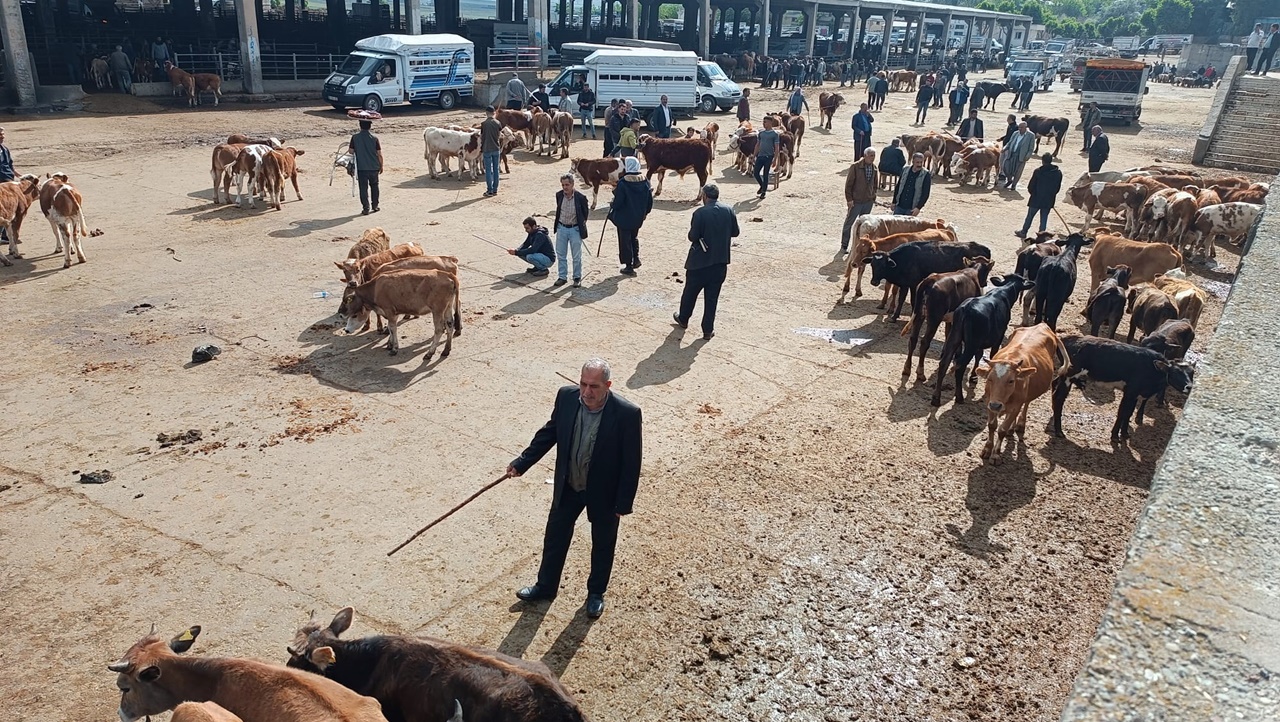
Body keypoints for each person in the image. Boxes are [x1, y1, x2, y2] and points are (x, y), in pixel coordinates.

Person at [508, 358, 643, 620]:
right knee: (555, 537)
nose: (586, 392)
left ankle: (595, 594)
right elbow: (549, 433)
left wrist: (623, 504)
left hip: (604, 494)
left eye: (594, 386)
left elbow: (631, 462)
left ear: (608, 385)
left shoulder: (627, 413)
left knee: (603, 544)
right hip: (569, 485)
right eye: (583, 384)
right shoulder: (567, 398)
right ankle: (546, 586)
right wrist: (522, 463)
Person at [674, 183, 739, 341]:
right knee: (712, 298)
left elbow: (693, 236)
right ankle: (707, 330)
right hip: (720, 262)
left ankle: (684, 318)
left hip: (699, 263)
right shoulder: (728, 210)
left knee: (690, 293)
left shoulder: (700, 213)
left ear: (705, 196)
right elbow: (735, 232)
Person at [608, 156, 653, 275]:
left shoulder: (623, 183)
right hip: (638, 217)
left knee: (625, 241)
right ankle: (636, 259)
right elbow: (650, 201)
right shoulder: (645, 181)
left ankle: (628, 265)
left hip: (624, 218)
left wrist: (612, 204)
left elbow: (618, 202)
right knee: (634, 237)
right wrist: (645, 213)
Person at [553, 174, 589, 288]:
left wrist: (580, 226)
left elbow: (585, 214)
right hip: (562, 228)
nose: (565, 187)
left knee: (576, 255)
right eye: (563, 185)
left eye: (567, 185)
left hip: (575, 229)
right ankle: (562, 277)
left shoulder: (580, 197)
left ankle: (577, 277)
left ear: (573, 184)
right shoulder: (559, 195)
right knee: (561, 254)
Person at [840, 147, 878, 254]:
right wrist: (849, 199)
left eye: (874, 156)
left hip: (867, 201)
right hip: (856, 201)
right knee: (849, 223)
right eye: (870, 156)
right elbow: (849, 185)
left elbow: (875, 184)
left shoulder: (874, 168)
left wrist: (873, 196)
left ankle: (859, 247)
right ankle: (844, 245)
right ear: (865, 155)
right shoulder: (855, 167)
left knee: (864, 226)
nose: (872, 158)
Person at [1015, 154, 1062, 239]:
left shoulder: (1038, 171)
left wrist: (1033, 194)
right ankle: (1042, 236)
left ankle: (1024, 232)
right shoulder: (1058, 173)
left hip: (1036, 198)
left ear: (1042, 161)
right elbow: (1057, 188)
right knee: (1044, 218)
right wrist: (1051, 196)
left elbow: (1031, 186)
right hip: (1048, 200)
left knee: (1030, 216)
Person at [348, 120, 383, 215]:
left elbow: (351, 151)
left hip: (361, 168)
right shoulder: (375, 138)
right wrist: (381, 165)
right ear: (369, 127)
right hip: (374, 166)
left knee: (363, 188)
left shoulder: (355, 137)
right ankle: (375, 206)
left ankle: (366, 208)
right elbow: (379, 154)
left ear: (360, 126)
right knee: (375, 186)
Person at [1001, 121, 1036, 190]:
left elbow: (1031, 148)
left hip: (1021, 156)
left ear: (1026, 127)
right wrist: (1005, 148)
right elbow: (1010, 142)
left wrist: (1027, 156)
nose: (1020, 129)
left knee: (1018, 172)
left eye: (1021, 127)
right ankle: (1009, 180)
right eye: (1019, 127)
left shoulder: (1031, 135)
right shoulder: (1015, 133)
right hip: (1011, 154)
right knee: (1005, 167)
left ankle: (1014, 184)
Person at [753, 116, 780, 200]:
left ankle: (763, 192)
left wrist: (775, 159)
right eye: (763, 122)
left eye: (765, 122)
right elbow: (757, 145)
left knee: (765, 174)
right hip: (760, 155)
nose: (763, 124)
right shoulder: (761, 133)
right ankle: (762, 186)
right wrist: (754, 155)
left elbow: (776, 147)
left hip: (769, 156)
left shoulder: (775, 134)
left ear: (770, 123)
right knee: (756, 173)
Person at [479, 106, 502, 197]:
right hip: (496, 148)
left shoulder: (484, 124)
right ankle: (495, 189)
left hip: (487, 148)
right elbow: (499, 134)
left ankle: (489, 190)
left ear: (486, 113)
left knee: (488, 170)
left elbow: (482, 137)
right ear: (494, 113)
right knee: (496, 169)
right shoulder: (498, 123)